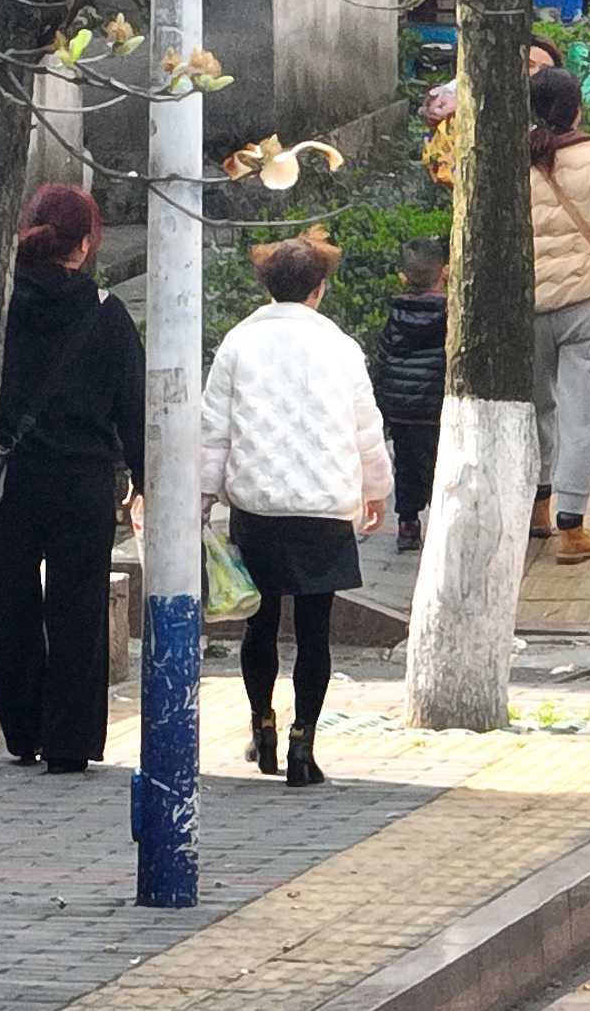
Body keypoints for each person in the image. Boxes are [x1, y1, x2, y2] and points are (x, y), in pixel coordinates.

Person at [199, 232, 391, 787]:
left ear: (266, 284)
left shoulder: (237, 343)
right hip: (324, 505)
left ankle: (262, 724)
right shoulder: (341, 346)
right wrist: (375, 491)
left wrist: (203, 501)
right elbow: (365, 428)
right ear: (320, 288)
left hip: (258, 504)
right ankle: (304, 743)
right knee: (315, 630)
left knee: (259, 624)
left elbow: (214, 433)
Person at [0, 183, 145, 773]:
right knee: (77, 611)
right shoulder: (107, 316)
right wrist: (146, 482)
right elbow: (134, 409)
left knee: (7, 601)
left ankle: (22, 731)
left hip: (7, 479)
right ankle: (70, 744)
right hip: (82, 483)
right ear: (82, 246)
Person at [514, 63, 590, 562]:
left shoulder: (507, 159)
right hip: (588, 306)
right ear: (578, 109)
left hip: (527, 307)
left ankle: (537, 508)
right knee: (582, 414)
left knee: (536, 409)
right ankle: (573, 527)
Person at [375, 235, 449, 554]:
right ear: (444, 273)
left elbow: (383, 360)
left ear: (402, 277)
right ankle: (443, 521)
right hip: (436, 408)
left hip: (403, 410)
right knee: (439, 464)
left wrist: (386, 405)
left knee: (405, 466)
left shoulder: (396, 316)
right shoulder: (449, 314)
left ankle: (408, 523)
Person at [422, 35, 561, 191]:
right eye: (529, 65)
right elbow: (450, 94)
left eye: (546, 70)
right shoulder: (483, 94)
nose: (535, 73)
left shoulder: (557, 114)